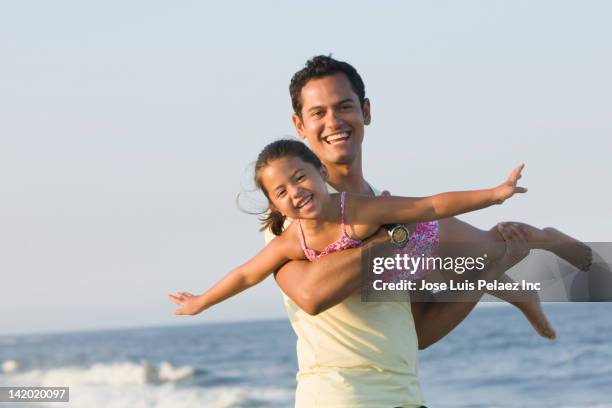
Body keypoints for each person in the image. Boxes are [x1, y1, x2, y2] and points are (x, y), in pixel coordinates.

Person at [267, 55, 590, 407]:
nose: (333, 121)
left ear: (366, 112)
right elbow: (312, 295)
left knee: (489, 246)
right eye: (318, 113)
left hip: (407, 399)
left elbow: (418, 332)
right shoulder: (296, 210)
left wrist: (489, 273)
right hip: (340, 399)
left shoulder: (385, 208)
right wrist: (392, 237)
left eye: (344, 107)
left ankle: (543, 242)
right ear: (299, 125)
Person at [167, 139, 529, 317]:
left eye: (300, 178)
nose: (295, 192)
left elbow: (429, 205)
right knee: (477, 276)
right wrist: (201, 302)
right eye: (282, 191)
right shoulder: (291, 241)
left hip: (417, 244)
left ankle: (540, 247)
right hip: (387, 272)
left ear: (320, 174)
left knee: (484, 254)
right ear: (275, 204)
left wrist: (495, 194)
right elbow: (246, 275)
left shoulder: (357, 210)